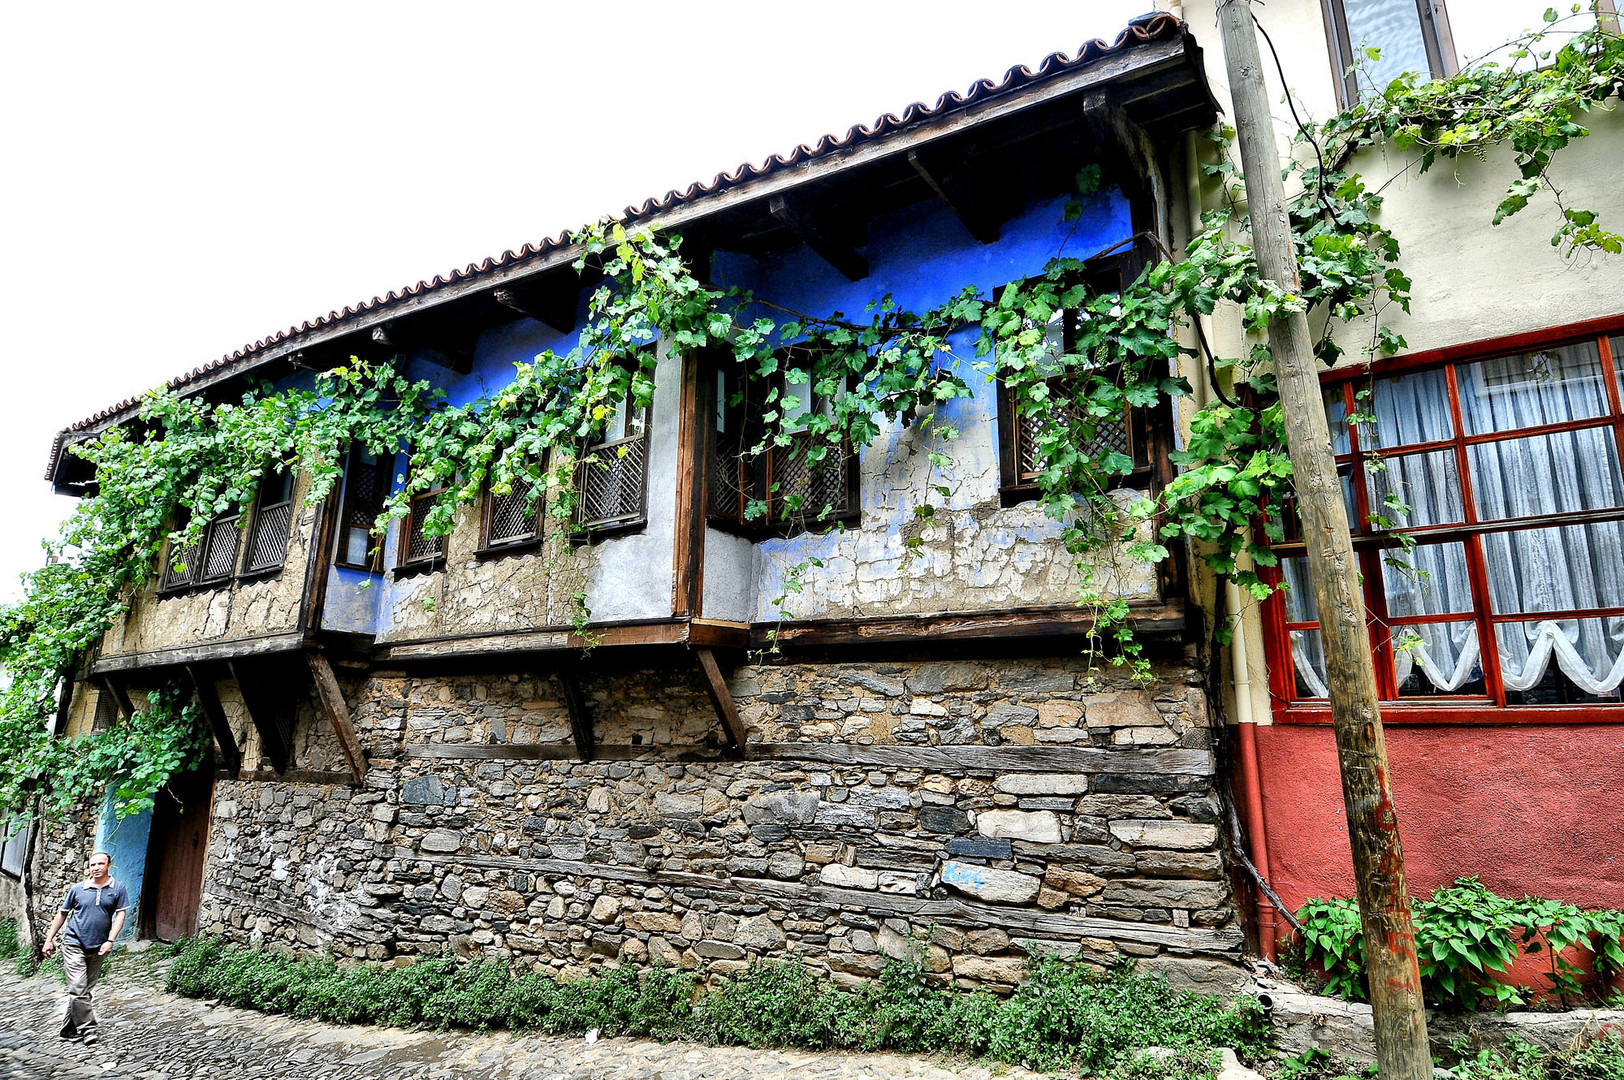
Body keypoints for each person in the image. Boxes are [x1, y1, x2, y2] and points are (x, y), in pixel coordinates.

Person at [41, 851, 129, 1044]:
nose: (96, 868)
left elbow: (120, 916)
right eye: (92, 865)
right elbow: (62, 914)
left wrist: (110, 941)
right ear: (89, 868)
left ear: (109, 866)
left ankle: (68, 1029)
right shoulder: (78, 889)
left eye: (100, 864)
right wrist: (49, 939)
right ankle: (88, 1029)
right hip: (73, 943)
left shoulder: (118, 889)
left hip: (99, 946)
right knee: (78, 988)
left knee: (84, 990)